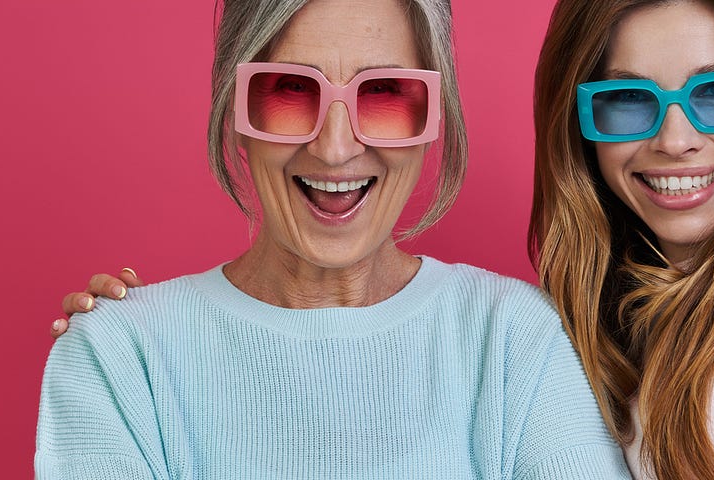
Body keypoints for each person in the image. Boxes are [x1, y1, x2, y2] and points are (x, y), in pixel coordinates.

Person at [57, 0, 714, 478]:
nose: (677, 138)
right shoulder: (585, 327)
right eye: (625, 104)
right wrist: (147, 335)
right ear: (581, 128)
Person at [35, 0, 630, 478]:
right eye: (291, 91)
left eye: (385, 95)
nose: (335, 147)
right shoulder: (119, 359)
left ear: (434, 116)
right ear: (235, 112)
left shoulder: (519, 341)